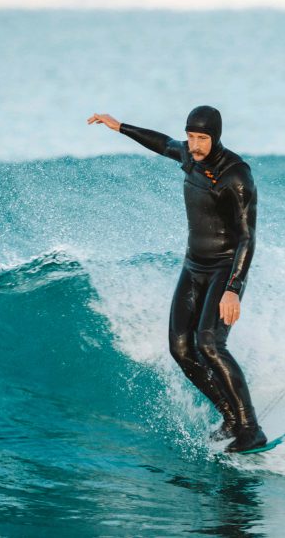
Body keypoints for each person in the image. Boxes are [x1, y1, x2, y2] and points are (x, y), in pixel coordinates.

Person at [87, 105, 267, 453]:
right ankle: (230, 417)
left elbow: (248, 237)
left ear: (216, 137)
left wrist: (232, 290)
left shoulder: (236, 175)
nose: (195, 145)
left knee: (210, 345)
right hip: (194, 265)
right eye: (191, 137)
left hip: (224, 269)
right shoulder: (188, 154)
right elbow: (162, 143)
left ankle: (250, 428)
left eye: (203, 138)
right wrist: (119, 126)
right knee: (181, 349)